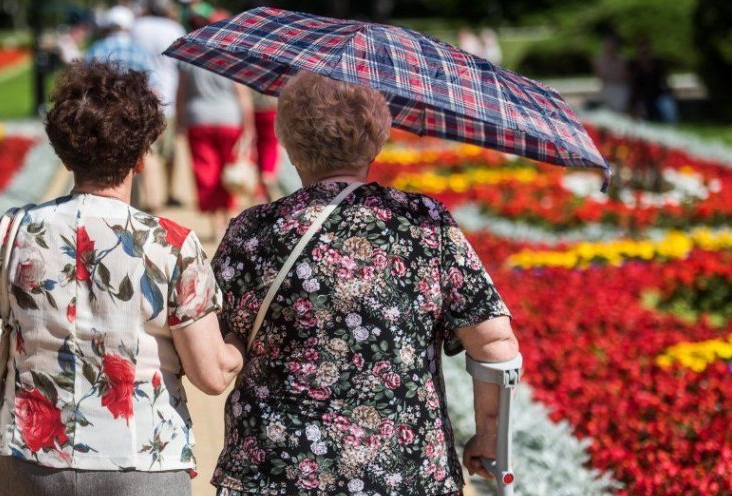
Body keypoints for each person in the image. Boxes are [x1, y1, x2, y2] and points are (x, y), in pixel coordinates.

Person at [0, 61, 244, 496]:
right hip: (141, 459)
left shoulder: (12, 229)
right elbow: (211, 376)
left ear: (64, 150)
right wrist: (240, 345)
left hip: (29, 457)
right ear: (141, 155)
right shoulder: (173, 244)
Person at [210, 71, 520, 495]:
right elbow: (496, 345)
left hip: (277, 470)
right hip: (406, 471)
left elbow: (215, 342)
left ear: (288, 141)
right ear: (376, 140)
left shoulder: (255, 230)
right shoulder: (423, 223)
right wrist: (488, 436)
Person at [176, 59, 254, 240]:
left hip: (198, 119)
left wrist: (180, 122)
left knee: (205, 171)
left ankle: (216, 225)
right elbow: (242, 94)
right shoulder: (232, 60)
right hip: (230, 119)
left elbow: (181, 92)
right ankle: (228, 221)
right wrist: (249, 127)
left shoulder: (188, 60)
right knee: (230, 173)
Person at [131, 0, 187, 208]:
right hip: (169, 96)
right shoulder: (175, 29)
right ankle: (169, 192)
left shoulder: (137, 27)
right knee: (170, 151)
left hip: (141, 97)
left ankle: (142, 197)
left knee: (144, 150)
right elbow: (182, 67)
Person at [629, 39, 678, 123]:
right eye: (642, 53)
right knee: (640, 114)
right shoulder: (634, 66)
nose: (644, 55)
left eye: (646, 52)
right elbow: (632, 85)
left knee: (668, 107)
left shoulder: (658, 64)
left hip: (659, 95)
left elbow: (665, 80)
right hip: (642, 98)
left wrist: (669, 91)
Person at [251, 90, 281, 200]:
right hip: (271, 109)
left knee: (258, 148)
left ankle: (260, 188)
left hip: (253, 110)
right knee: (270, 147)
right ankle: (267, 176)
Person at [593, 34, 629, 113]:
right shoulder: (599, 60)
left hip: (620, 87)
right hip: (607, 87)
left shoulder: (621, 60)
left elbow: (624, 76)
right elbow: (600, 76)